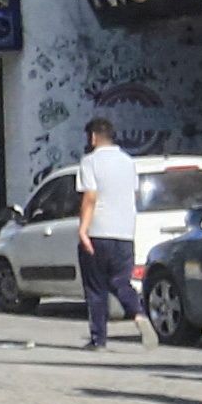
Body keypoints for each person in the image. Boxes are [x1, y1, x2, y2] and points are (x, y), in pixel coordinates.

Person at [69, 116, 150, 347]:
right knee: (121, 281)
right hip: (124, 232)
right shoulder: (128, 162)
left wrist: (83, 230)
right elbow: (133, 196)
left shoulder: (90, 162)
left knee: (96, 288)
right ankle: (138, 313)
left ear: (93, 137)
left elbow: (90, 197)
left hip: (98, 231)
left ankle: (98, 339)